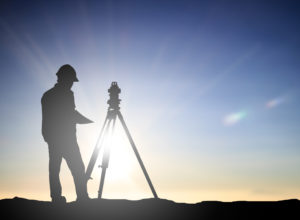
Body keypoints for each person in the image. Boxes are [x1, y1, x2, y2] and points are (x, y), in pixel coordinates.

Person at [41, 64, 92, 203]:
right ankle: (81, 197)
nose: (71, 84)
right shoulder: (60, 95)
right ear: (63, 79)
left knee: (56, 168)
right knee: (75, 168)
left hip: (58, 138)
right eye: (70, 81)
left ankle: (59, 198)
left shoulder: (48, 95)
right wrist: (89, 121)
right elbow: (70, 114)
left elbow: (68, 114)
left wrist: (48, 137)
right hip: (64, 139)